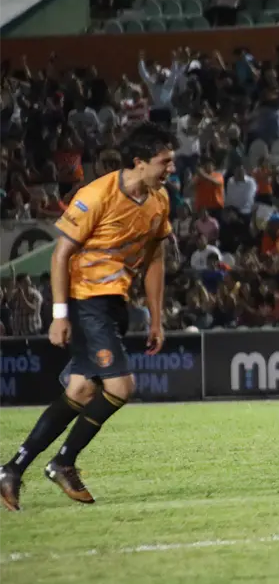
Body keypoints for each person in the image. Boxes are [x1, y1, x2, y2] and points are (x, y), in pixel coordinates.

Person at [1, 123, 175, 511]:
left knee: (81, 391)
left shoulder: (159, 201)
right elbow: (60, 254)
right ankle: (62, 462)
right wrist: (59, 315)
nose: (170, 170)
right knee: (120, 388)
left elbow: (156, 258)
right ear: (139, 161)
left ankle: (12, 469)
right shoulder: (96, 194)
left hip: (115, 303)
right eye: (165, 162)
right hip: (85, 301)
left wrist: (156, 318)